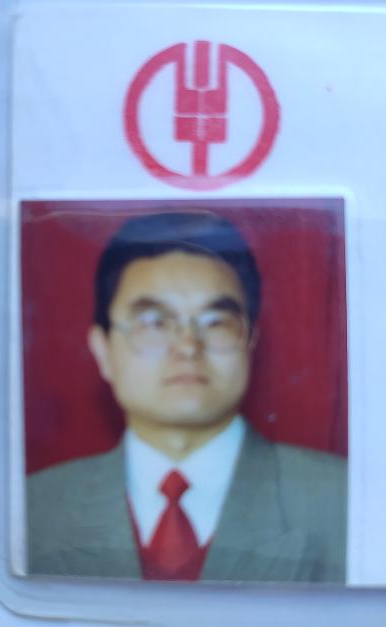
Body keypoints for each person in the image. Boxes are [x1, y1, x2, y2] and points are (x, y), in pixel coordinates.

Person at [27, 211, 347, 582]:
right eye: (154, 323)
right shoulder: (33, 508)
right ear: (103, 351)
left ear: (251, 341)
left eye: (216, 322)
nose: (188, 347)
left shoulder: (345, 500)